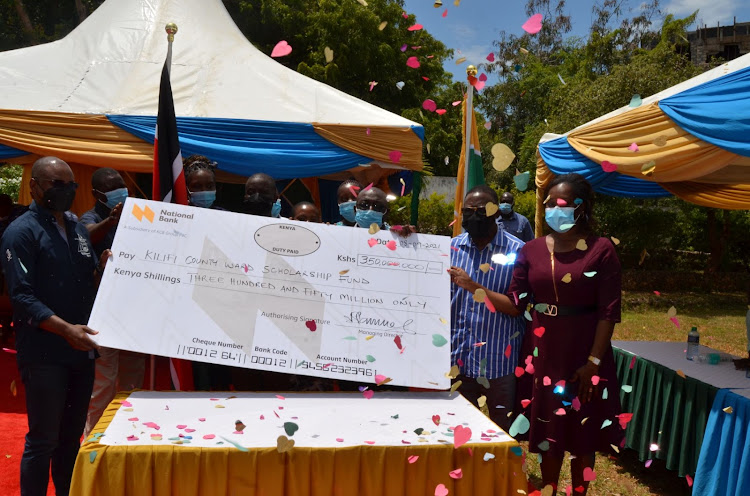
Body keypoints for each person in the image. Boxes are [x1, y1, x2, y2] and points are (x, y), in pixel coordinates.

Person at [491, 173, 623, 495]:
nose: (552, 209)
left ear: (581, 208)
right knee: (549, 434)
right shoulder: (532, 250)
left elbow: (609, 312)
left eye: (559, 204)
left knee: (583, 436)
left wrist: (593, 362)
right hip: (543, 352)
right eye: (548, 203)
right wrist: (475, 288)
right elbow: (515, 301)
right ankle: (548, 488)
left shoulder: (601, 250)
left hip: (584, 354)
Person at [1, 156, 109, 496]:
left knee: (70, 438)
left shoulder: (77, 229)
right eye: (55, 185)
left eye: (70, 185)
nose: (64, 192)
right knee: (43, 440)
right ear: (34, 187)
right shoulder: (20, 233)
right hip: (45, 352)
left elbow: (86, 280)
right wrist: (66, 331)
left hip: (80, 352)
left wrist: (103, 270)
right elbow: (22, 297)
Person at [448, 185, 526, 432]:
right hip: (458, 358)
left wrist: (473, 286)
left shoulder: (517, 251)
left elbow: (516, 307)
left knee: (500, 432)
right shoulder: (451, 249)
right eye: (467, 211)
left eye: (480, 211)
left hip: (498, 362)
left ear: (495, 212)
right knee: (458, 431)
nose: (473, 216)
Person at [80, 168, 145, 436]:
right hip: (103, 319)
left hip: (134, 316)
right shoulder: (90, 217)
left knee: (133, 384)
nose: (121, 192)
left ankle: (127, 436)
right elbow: (86, 234)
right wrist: (111, 220)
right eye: (113, 188)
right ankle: (94, 441)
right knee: (103, 384)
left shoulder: (138, 216)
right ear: (97, 194)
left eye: (122, 186)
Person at [182, 156, 232, 391]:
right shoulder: (178, 216)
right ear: (187, 190)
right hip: (190, 308)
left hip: (222, 307)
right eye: (197, 187)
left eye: (208, 187)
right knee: (197, 374)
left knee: (221, 374)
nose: (204, 191)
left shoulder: (229, 219)